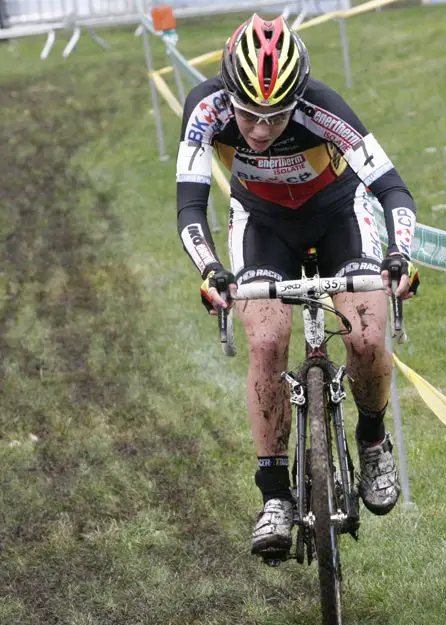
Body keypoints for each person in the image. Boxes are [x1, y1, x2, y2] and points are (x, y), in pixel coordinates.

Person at [175, 14, 420, 555]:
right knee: (265, 340)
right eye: (248, 115)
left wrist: (400, 255)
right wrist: (211, 270)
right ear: (226, 92)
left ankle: (374, 440)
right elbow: (191, 207)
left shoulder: (323, 107)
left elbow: (393, 190)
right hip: (262, 224)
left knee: (365, 335)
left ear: (297, 98)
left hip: (338, 217)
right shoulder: (206, 108)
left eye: (276, 116)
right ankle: (274, 496)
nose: (260, 130)